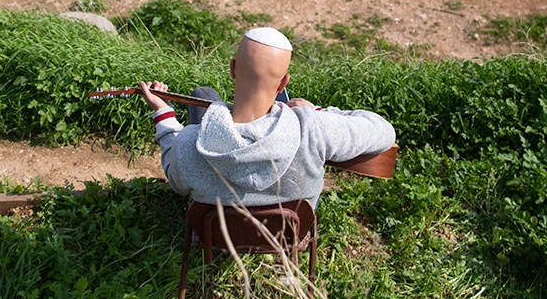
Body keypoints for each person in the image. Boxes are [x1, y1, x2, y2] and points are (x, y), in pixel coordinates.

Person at [139, 27, 395, 208]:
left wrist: (164, 114)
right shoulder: (313, 129)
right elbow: (383, 131)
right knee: (205, 95)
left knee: (203, 95)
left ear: (232, 69)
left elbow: (175, 178)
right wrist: (315, 112)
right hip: (286, 236)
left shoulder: (189, 143)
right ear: (283, 82)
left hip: (217, 235)